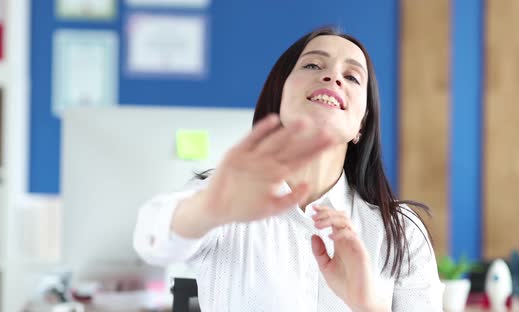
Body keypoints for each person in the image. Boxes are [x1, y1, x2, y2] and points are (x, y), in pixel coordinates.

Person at [133, 27, 442, 312]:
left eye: (351, 76)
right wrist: (209, 209)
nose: (333, 76)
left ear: (362, 125)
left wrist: (367, 306)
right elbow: (152, 239)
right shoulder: (228, 199)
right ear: (278, 97)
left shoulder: (399, 232)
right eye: (312, 65)